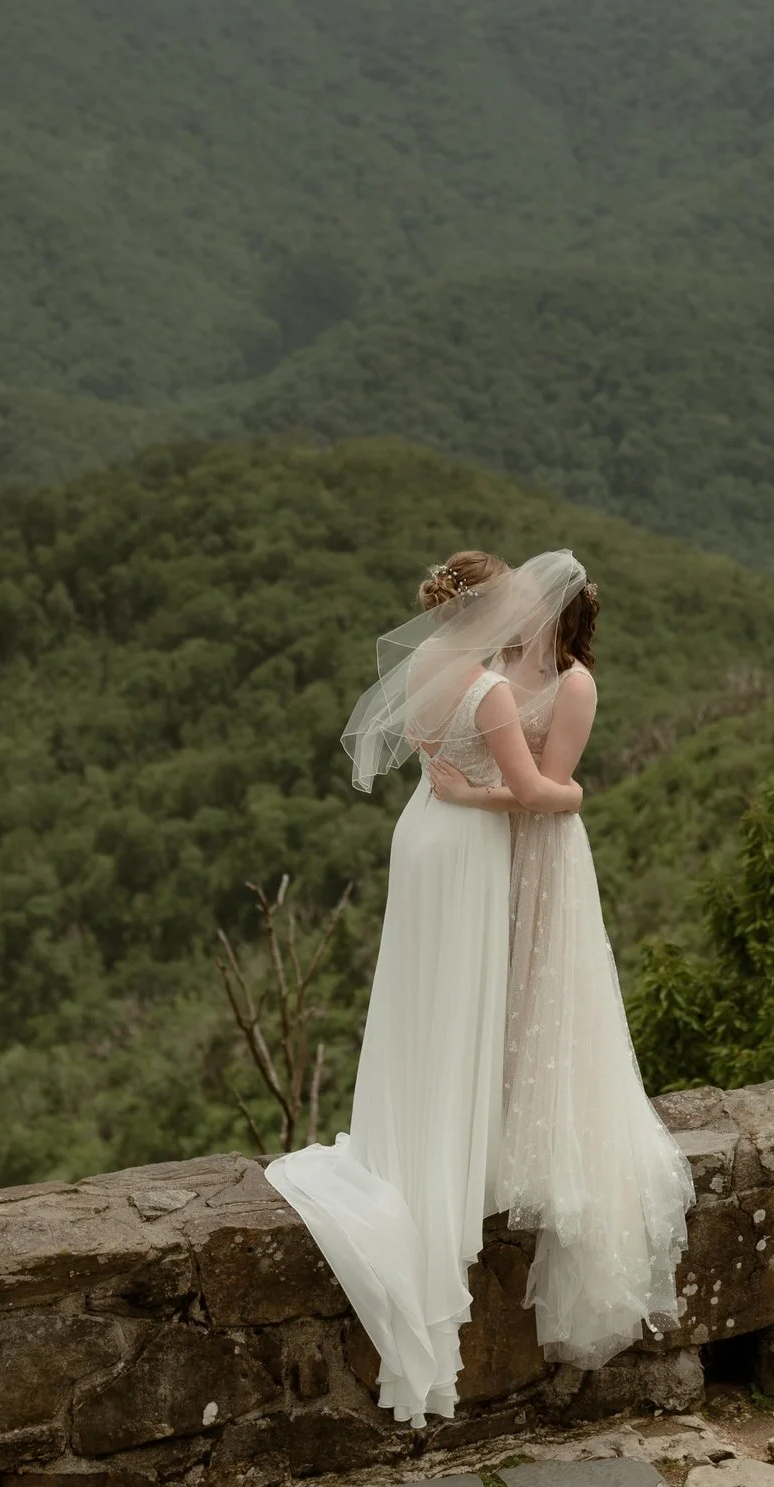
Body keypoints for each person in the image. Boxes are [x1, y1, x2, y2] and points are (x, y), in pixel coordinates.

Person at [265, 549, 590, 1426]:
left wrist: (458, 784)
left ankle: (407, 1142)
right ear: (488, 612)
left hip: (421, 834)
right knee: (457, 1007)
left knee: (418, 999)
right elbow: (531, 793)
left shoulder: (427, 664)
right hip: (467, 850)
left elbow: (419, 748)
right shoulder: (487, 690)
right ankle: (443, 1177)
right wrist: (576, 789)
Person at [429, 566, 693, 1370]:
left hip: (540, 852)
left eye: (536, 606)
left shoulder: (575, 685)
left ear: (563, 615)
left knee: (539, 992)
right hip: (487, 857)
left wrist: (468, 797)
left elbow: (554, 791)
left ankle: (531, 1146)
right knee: (490, 990)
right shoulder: (497, 667)